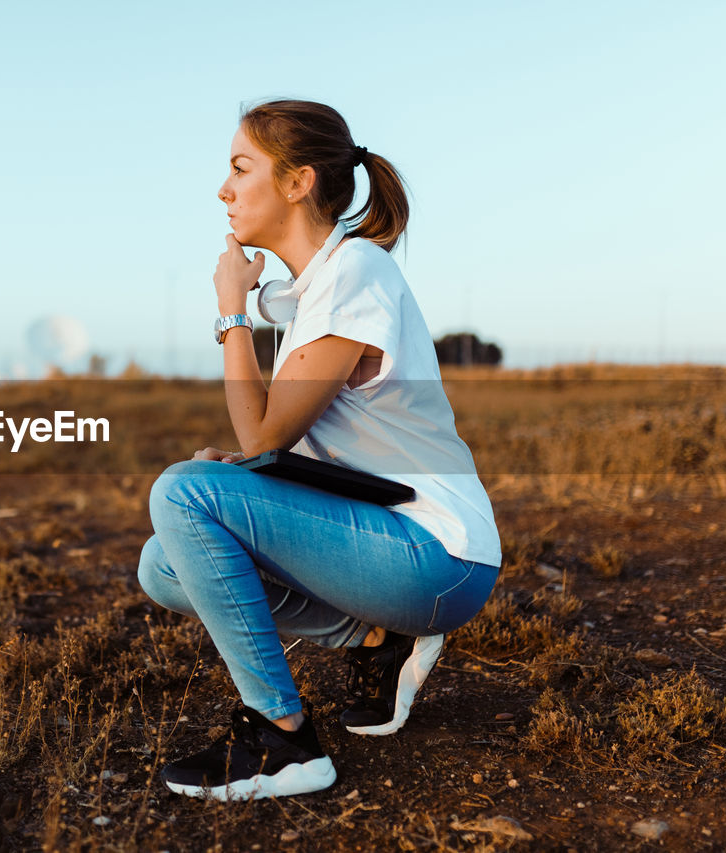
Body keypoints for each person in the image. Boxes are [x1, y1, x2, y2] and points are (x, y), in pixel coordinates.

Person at [137, 99, 502, 801]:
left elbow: (263, 433)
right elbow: (274, 445)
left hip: (439, 553)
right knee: (163, 562)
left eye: (241, 168)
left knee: (181, 492)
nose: (224, 188)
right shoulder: (314, 293)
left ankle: (283, 741)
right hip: (389, 542)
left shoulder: (356, 271)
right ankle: (375, 640)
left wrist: (231, 312)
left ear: (298, 182)